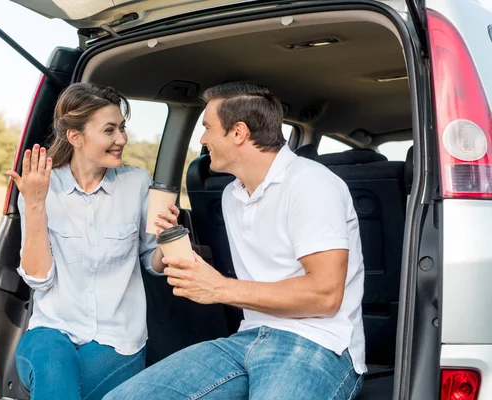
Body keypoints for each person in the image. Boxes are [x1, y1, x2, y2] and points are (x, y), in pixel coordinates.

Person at [104, 81, 366, 399]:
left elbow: (326, 296)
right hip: (248, 338)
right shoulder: (231, 195)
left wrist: (218, 288)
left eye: (207, 128)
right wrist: (172, 240)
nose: (202, 139)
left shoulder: (311, 184)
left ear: (238, 132)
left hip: (320, 344)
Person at [5, 82, 179, 400]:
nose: (122, 139)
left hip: (119, 338)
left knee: (64, 391)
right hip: (51, 330)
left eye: (122, 128)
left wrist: (169, 241)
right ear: (76, 137)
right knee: (55, 373)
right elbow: (39, 278)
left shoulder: (137, 183)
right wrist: (34, 204)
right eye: (110, 130)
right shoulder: (42, 187)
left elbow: (152, 260)